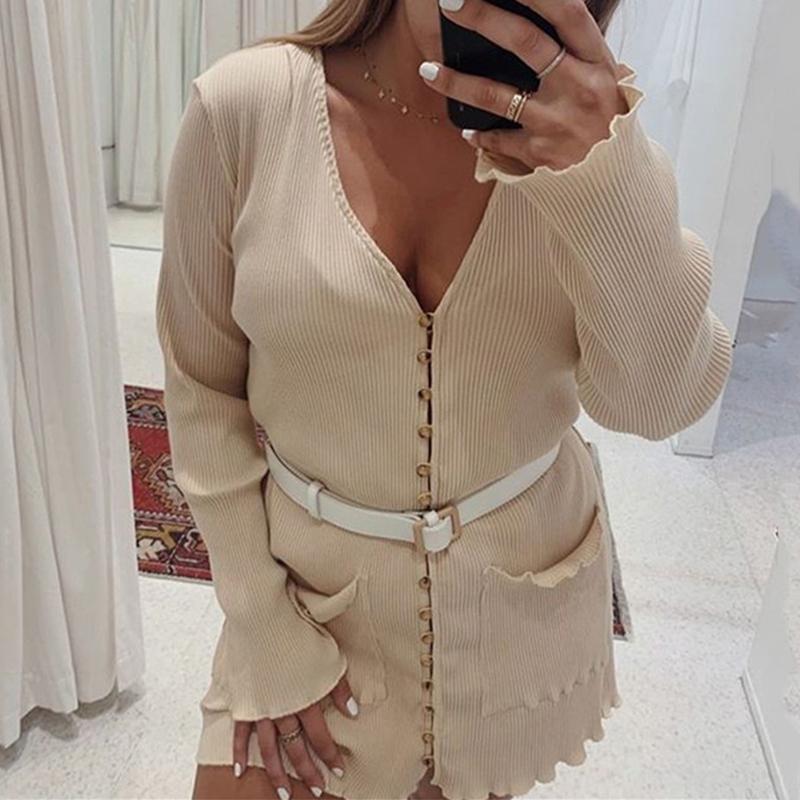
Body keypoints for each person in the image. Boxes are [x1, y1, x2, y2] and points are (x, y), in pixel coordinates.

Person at [155, 1, 734, 798]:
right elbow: (200, 384)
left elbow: (655, 404)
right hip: (307, 607)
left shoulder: (594, 149)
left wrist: (607, 177)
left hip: (513, 619)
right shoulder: (246, 108)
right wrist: (259, 623)